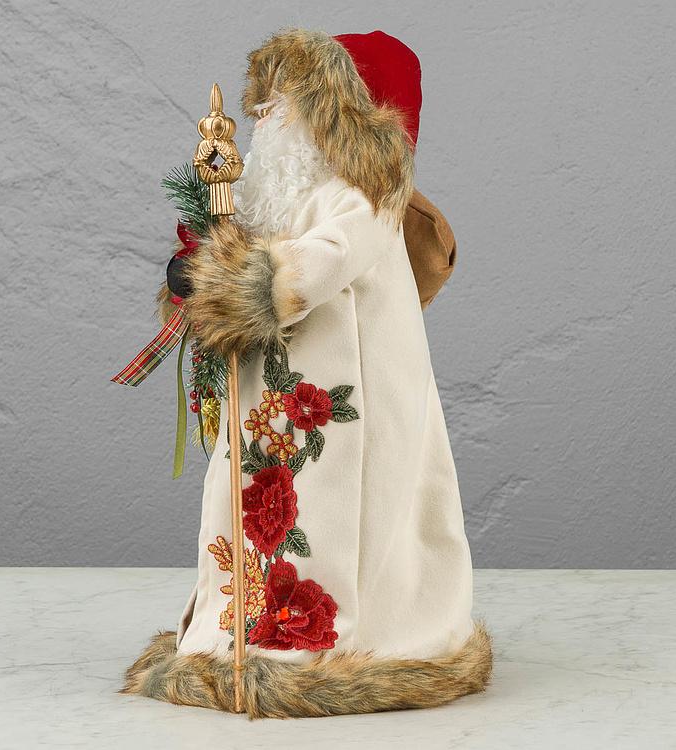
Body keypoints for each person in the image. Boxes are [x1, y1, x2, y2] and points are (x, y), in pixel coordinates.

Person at [123, 28, 491, 719]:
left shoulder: (362, 199)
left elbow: (319, 264)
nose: (266, 119)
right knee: (256, 507)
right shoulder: (274, 199)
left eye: (285, 103)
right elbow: (241, 259)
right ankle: (237, 630)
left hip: (349, 406)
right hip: (273, 407)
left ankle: (337, 643)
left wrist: (236, 281)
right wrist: (200, 267)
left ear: (339, 116)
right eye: (264, 104)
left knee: (345, 515)